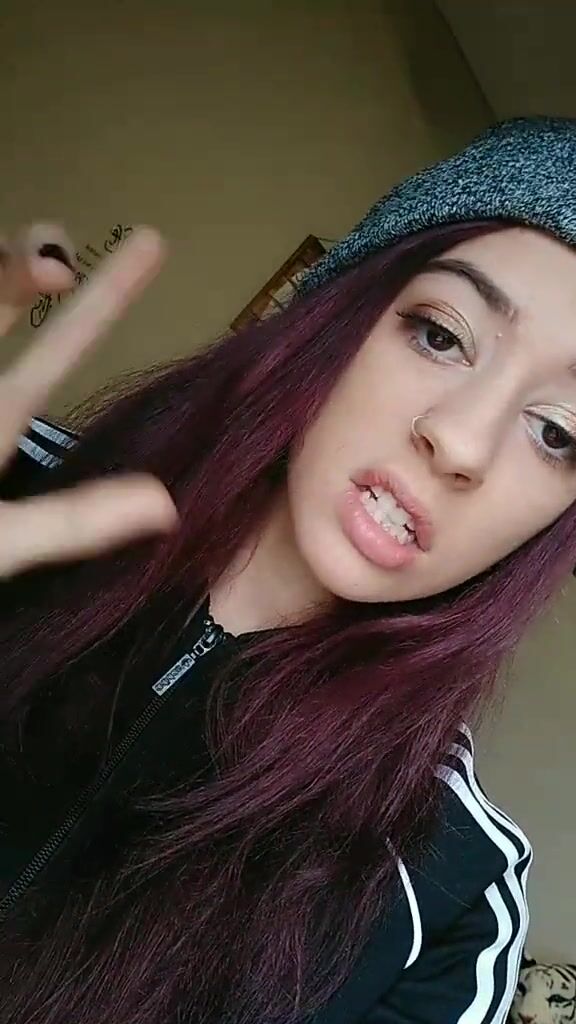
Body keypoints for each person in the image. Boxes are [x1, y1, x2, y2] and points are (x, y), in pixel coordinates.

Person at [0, 115, 575, 1024]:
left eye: (558, 434)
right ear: (336, 315)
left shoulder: (451, 900)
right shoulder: (19, 500)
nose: (461, 442)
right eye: (440, 334)